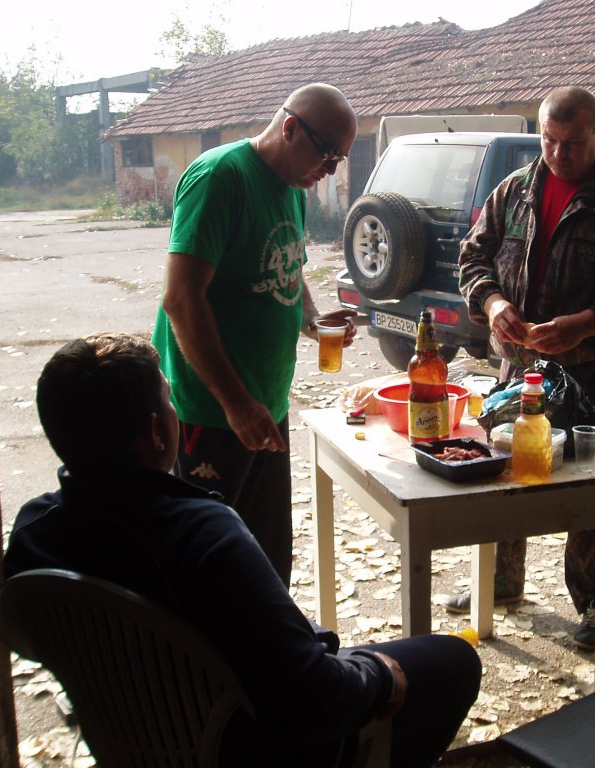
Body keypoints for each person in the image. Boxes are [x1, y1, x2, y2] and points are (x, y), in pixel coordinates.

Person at [4, 334, 481, 768]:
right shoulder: (201, 535)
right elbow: (311, 699)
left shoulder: (34, 533)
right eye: (168, 398)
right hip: (242, 744)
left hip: (128, 734)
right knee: (453, 661)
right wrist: (377, 674)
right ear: (155, 432)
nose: (174, 409)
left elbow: (22, 630)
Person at [455, 86, 595, 650]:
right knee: (507, 473)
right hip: (519, 369)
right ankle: (500, 579)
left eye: (572, 143)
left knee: (591, 488)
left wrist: (587, 323)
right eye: (549, 141)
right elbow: (473, 257)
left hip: (593, 374)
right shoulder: (516, 191)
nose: (558, 154)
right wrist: (493, 304)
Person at [153, 83, 359, 587]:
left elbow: (290, 268)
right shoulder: (220, 177)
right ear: (290, 128)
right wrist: (234, 402)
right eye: (328, 154)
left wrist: (312, 321)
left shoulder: (292, 188)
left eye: (339, 159)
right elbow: (181, 299)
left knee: (266, 560)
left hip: (265, 404)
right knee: (210, 572)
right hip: (212, 411)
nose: (330, 170)